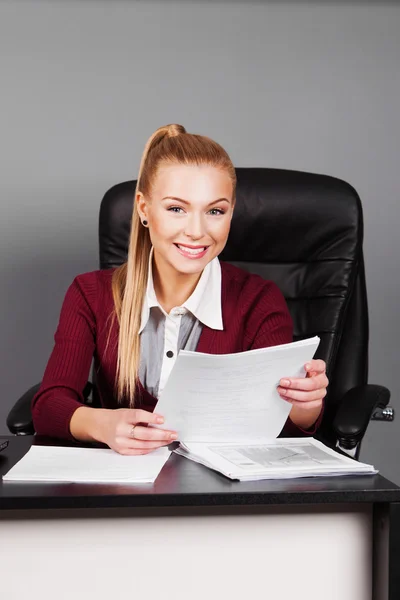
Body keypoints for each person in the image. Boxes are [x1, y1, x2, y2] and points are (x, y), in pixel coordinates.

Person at [32, 124, 328, 455]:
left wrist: (304, 404)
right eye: (176, 209)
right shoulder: (91, 294)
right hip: (125, 486)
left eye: (215, 211)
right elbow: (48, 407)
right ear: (144, 209)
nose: (197, 231)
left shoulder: (259, 301)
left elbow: (275, 430)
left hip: (220, 492)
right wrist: (103, 425)